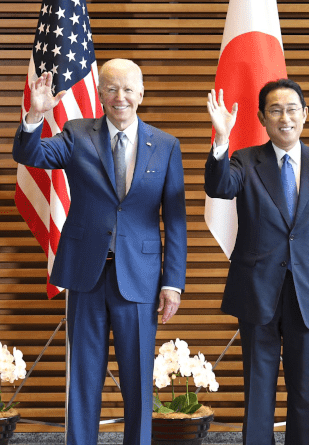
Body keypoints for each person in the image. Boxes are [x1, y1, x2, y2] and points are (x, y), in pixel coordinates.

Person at [12, 58, 187, 445]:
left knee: (138, 380)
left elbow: (174, 220)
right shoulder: (76, 134)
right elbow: (31, 156)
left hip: (140, 278)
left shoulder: (167, 145)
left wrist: (173, 282)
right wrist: (34, 117)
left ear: (141, 94)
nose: (119, 96)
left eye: (128, 88)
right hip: (86, 274)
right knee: (84, 378)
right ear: (99, 93)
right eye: (111, 88)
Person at [204, 79, 309, 445]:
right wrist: (221, 141)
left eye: (291, 109)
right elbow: (219, 186)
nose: (284, 117)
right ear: (262, 118)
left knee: (304, 391)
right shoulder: (244, 160)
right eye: (275, 110)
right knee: (258, 390)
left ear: (304, 115)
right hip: (257, 291)